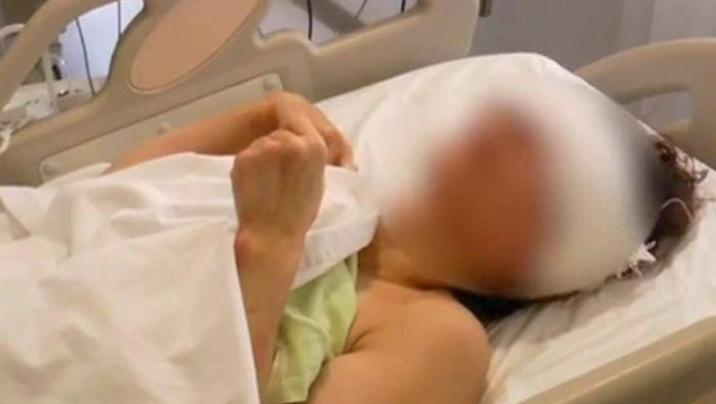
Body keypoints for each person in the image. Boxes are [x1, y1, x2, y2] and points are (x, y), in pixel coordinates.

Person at [113, 92, 702, 404]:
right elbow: (107, 199)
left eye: (539, 155)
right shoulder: (333, 185)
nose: (499, 132)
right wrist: (259, 117)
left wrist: (270, 246)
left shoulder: (437, 338)